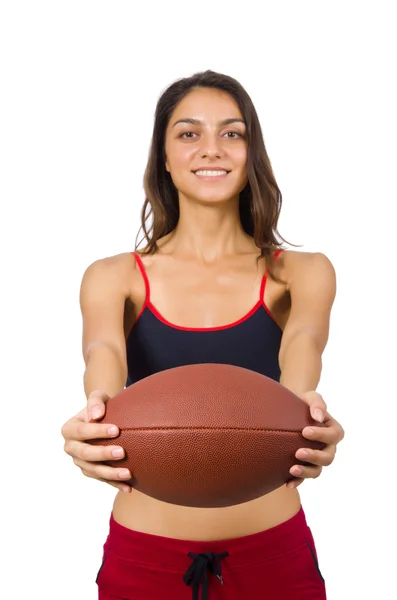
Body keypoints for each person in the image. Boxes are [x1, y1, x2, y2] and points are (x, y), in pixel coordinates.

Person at [61, 70, 345, 600]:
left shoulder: (303, 273)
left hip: (274, 554)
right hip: (144, 557)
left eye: (231, 133)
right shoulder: (113, 276)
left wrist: (306, 411)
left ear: (251, 153)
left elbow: (302, 348)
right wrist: (96, 414)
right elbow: (101, 355)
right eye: (189, 134)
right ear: (164, 158)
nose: (211, 149)